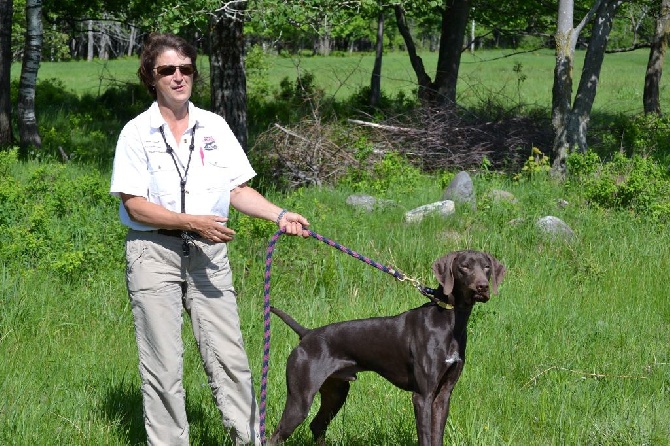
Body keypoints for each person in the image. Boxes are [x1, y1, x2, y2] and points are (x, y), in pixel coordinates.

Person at [109, 33, 310, 446]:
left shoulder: (215, 126)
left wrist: (280, 214)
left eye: (186, 68)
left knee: (231, 359)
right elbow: (134, 206)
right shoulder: (136, 133)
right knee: (163, 367)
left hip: (208, 254)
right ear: (151, 76)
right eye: (168, 70)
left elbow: (237, 189)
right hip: (153, 253)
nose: (179, 77)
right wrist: (191, 222)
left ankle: (247, 441)